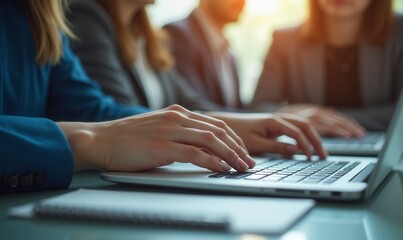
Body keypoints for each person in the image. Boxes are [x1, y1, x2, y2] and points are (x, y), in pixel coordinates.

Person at [0, 0, 326, 193]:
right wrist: (92, 140)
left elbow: (90, 107)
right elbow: (96, 120)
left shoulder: (42, 14)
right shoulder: (83, 14)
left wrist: (223, 126)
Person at [252, 0, 403, 138]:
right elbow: (258, 110)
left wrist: (326, 120)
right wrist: (299, 116)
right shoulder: (285, 40)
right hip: (307, 153)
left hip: (379, 155)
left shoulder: (401, 30)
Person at [68, 0, 223, 112]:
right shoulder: (86, 17)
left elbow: (190, 103)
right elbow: (122, 117)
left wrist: (239, 122)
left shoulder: (149, 38)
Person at [164, 0, 245, 110]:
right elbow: (193, 107)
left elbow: (236, 108)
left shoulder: (228, 53)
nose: (242, 2)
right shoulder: (178, 34)